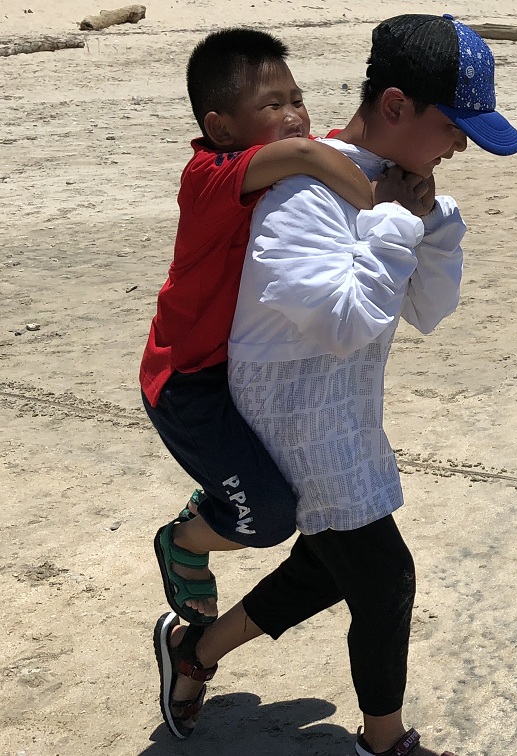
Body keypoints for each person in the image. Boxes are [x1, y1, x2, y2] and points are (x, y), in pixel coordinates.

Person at [152, 14, 517, 755]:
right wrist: (393, 220)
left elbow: (427, 311)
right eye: (453, 127)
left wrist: (432, 224)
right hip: (291, 416)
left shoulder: (386, 187)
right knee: (384, 578)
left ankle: (194, 652)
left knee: (331, 566)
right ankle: (385, 743)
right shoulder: (301, 192)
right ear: (395, 106)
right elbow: (342, 323)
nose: (460, 146)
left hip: (343, 411)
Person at [140, 27, 378, 628]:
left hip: (239, 367)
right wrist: (381, 205)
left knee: (294, 486)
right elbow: (310, 156)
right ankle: (184, 539)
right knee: (268, 520)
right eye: (273, 105)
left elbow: (332, 145)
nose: (295, 115)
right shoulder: (209, 174)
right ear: (221, 128)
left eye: (297, 98)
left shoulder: (270, 160)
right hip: (186, 383)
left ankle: (216, 500)